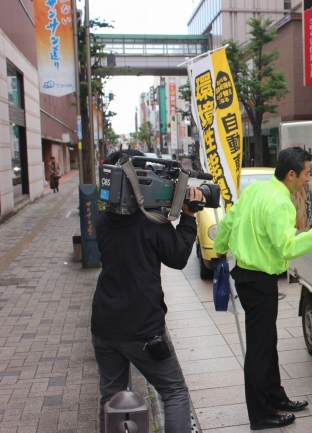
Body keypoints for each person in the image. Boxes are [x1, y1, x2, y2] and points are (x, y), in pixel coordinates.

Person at [213, 147, 312, 430]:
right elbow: (287, 246)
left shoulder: (255, 191)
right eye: (307, 173)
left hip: (248, 278)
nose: (309, 179)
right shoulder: (281, 202)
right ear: (292, 174)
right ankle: (260, 415)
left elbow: (229, 222)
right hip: (260, 281)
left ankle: (275, 397)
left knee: (267, 343)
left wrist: (219, 250)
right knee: (260, 350)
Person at [91, 149, 205, 433]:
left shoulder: (103, 221)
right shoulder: (150, 222)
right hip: (143, 328)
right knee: (174, 392)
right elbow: (178, 258)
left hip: (104, 325)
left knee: (111, 398)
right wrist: (188, 216)